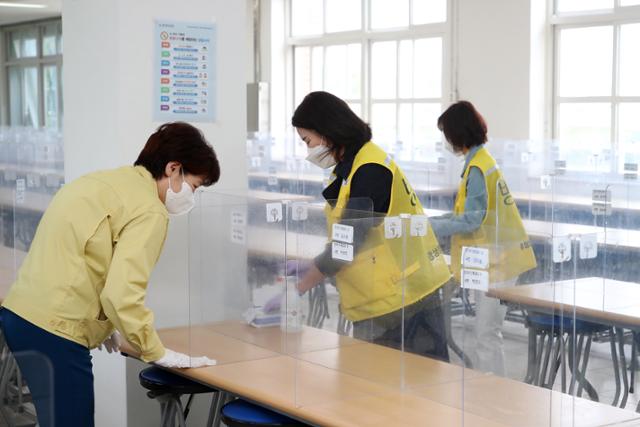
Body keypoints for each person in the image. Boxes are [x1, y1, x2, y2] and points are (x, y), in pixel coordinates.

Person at [0, 122, 220, 427]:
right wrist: (154, 350)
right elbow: (122, 292)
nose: (191, 197)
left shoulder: (101, 182)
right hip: (57, 330)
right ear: (173, 169)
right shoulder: (150, 211)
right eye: (195, 186)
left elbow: (81, 255)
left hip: (19, 315)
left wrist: (103, 322)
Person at [291, 91, 452, 360]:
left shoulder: (370, 170)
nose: (308, 149)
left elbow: (349, 242)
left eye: (307, 140)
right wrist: (312, 266)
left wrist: (298, 286)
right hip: (383, 296)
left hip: (403, 299)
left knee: (401, 393)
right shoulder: (351, 168)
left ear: (327, 131)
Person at [429, 101, 536, 375]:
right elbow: (465, 213)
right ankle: (487, 394)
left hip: (498, 261)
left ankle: (490, 399)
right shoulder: (480, 161)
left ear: (457, 133)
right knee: (486, 333)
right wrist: (432, 223)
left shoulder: (477, 167)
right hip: (494, 258)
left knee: (486, 335)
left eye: (446, 134)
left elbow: (472, 219)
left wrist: (430, 228)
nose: (446, 141)